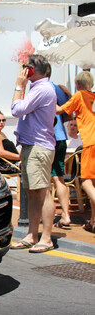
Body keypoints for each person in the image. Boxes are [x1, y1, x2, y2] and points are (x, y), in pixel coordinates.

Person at [10, 55, 57, 253]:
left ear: (31, 70)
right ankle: (32, 234)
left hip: (39, 146)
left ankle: (46, 237)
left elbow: (16, 109)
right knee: (32, 193)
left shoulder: (43, 89)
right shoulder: (38, 88)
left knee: (43, 192)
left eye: (25, 68)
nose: (23, 71)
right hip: (32, 146)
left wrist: (18, 86)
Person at [58, 70, 95, 233]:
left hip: (89, 143)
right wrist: (67, 92)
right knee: (93, 183)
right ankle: (93, 220)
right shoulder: (91, 97)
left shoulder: (79, 96)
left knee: (86, 182)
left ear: (78, 84)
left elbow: (61, 110)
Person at [49, 66, 72, 230]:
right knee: (59, 178)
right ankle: (66, 215)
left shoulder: (43, 88)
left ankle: (47, 216)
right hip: (61, 137)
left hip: (48, 139)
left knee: (45, 181)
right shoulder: (58, 89)